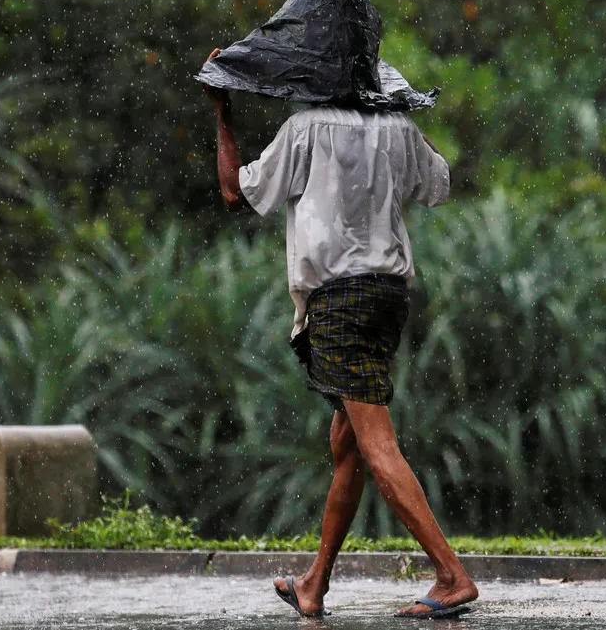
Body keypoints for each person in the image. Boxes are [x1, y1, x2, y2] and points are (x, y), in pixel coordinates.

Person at [202, 47, 478, 619]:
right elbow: (440, 182)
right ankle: (314, 583)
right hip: (387, 296)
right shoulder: (399, 129)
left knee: (376, 444)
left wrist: (223, 115)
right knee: (347, 444)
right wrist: (402, 122)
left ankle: (451, 576)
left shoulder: (305, 128)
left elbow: (235, 192)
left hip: (340, 301)